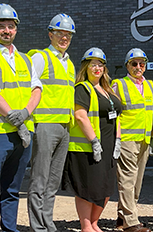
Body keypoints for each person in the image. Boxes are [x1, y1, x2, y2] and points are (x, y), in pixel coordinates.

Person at [0, 3, 42, 232]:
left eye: (10, 26)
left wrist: (25, 114)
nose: (6, 30)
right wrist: (16, 119)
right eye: (1, 26)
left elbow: (37, 89)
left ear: (16, 29)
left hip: (22, 135)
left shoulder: (25, 59)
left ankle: (10, 229)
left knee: (12, 189)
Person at [63, 47, 122, 232]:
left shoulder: (107, 90)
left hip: (109, 146)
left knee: (105, 187)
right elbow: (80, 116)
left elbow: (117, 116)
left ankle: (95, 222)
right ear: (86, 67)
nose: (97, 68)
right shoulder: (82, 88)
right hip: (89, 147)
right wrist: (94, 141)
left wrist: (118, 140)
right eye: (93, 64)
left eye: (100, 64)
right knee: (87, 188)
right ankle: (86, 225)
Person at [27, 14, 76, 232]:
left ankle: (48, 222)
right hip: (44, 126)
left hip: (65, 127)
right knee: (40, 179)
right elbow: (27, 88)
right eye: (60, 33)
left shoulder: (70, 63)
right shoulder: (41, 58)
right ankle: (38, 227)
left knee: (53, 181)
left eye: (68, 34)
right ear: (50, 34)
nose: (64, 38)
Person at [112, 48, 153, 232]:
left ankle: (122, 217)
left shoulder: (150, 85)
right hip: (127, 139)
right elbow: (113, 114)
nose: (138, 67)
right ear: (127, 66)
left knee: (137, 181)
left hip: (144, 140)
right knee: (127, 180)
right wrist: (117, 139)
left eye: (141, 63)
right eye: (134, 63)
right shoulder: (118, 85)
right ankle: (131, 221)